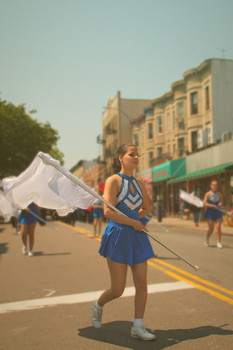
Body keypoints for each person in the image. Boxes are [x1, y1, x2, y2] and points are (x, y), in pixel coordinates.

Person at [91, 144, 156, 341]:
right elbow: (108, 212)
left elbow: (147, 206)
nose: (136, 157)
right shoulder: (113, 181)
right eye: (131, 154)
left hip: (136, 236)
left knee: (142, 283)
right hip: (118, 235)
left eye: (138, 154)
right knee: (118, 289)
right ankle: (98, 305)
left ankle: (137, 326)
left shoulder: (138, 182)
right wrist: (132, 221)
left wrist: (139, 217)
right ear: (121, 157)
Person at [203, 180, 224, 248]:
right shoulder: (208, 194)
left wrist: (219, 204)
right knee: (211, 228)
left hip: (217, 211)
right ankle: (207, 238)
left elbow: (222, 202)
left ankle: (218, 242)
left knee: (218, 227)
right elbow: (204, 204)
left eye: (216, 185)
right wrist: (212, 206)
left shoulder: (219, 194)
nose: (215, 186)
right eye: (214, 185)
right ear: (211, 186)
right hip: (210, 211)